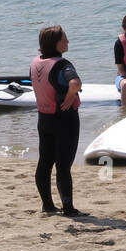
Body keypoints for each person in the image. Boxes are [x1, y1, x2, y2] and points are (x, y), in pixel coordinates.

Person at [31, 25, 83, 216]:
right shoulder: (62, 64)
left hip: (44, 119)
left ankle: (48, 205)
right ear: (56, 43)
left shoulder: (35, 62)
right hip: (64, 120)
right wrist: (70, 96)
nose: (68, 42)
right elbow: (75, 83)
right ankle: (68, 209)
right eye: (64, 39)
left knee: (45, 162)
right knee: (63, 165)